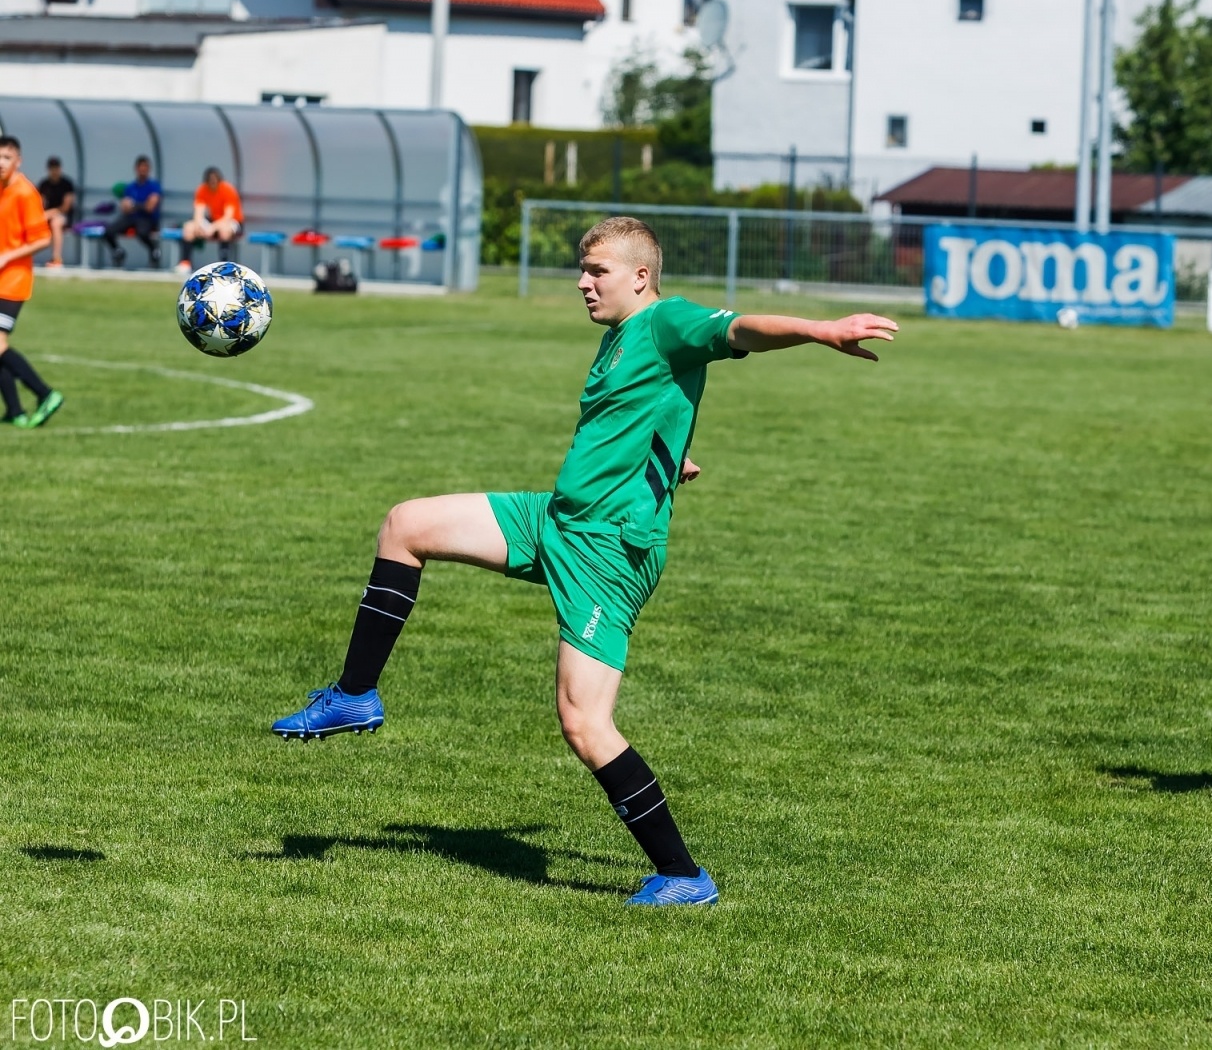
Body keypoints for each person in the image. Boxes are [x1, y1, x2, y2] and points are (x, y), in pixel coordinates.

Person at [269, 216, 899, 903]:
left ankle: (684, 876)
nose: (582, 282)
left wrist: (822, 330)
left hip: (606, 551)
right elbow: (649, 407)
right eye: (582, 269)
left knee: (584, 723)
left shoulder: (668, 321)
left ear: (639, 276)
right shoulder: (619, 339)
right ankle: (355, 695)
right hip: (556, 519)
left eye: (596, 271)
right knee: (406, 525)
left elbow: (739, 329)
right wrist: (665, 455)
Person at [0, 136, 65, 429]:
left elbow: (43, 238)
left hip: (13, 280)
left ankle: (46, 394)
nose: (1, 164)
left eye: (6, 158)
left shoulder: (25, 192)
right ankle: (14, 411)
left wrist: (7, 257)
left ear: (18, 161)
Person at [177, 166, 243, 272]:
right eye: (210, 181)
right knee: (189, 227)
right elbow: (199, 212)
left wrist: (212, 228)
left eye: (215, 180)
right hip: (213, 220)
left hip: (233, 221)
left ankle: (224, 265)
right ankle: (185, 263)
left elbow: (228, 216)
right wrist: (199, 225)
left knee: (224, 231)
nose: (212, 183)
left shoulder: (228, 190)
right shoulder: (202, 189)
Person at [103, 155, 161, 269]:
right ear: (136, 169)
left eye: (145, 168)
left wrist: (134, 205)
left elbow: (150, 207)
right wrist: (138, 205)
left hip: (147, 218)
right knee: (108, 231)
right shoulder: (130, 187)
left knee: (142, 233)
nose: (143, 170)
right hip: (131, 217)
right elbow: (125, 207)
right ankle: (118, 251)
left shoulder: (154, 186)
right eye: (141, 167)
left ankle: (154, 250)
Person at [38, 156, 74, 269]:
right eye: (51, 168)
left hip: (63, 216)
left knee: (55, 223)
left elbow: (66, 207)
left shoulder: (67, 184)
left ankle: (56, 258)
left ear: (60, 169)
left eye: (56, 168)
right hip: (46, 216)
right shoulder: (44, 184)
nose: (54, 171)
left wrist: (50, 213)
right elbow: (40, 203)